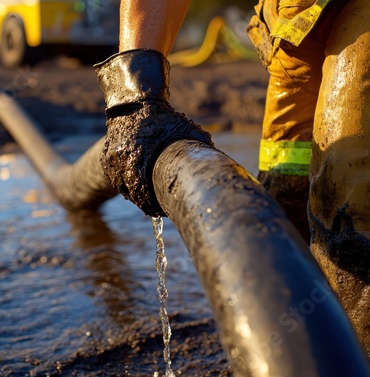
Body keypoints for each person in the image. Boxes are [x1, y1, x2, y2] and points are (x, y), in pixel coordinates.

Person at [93, 0, 370, 356]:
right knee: (285, 193)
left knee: (349, 213)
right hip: (296, 32)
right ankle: (291, 350)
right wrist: (135, 99)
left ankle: (351, 354)